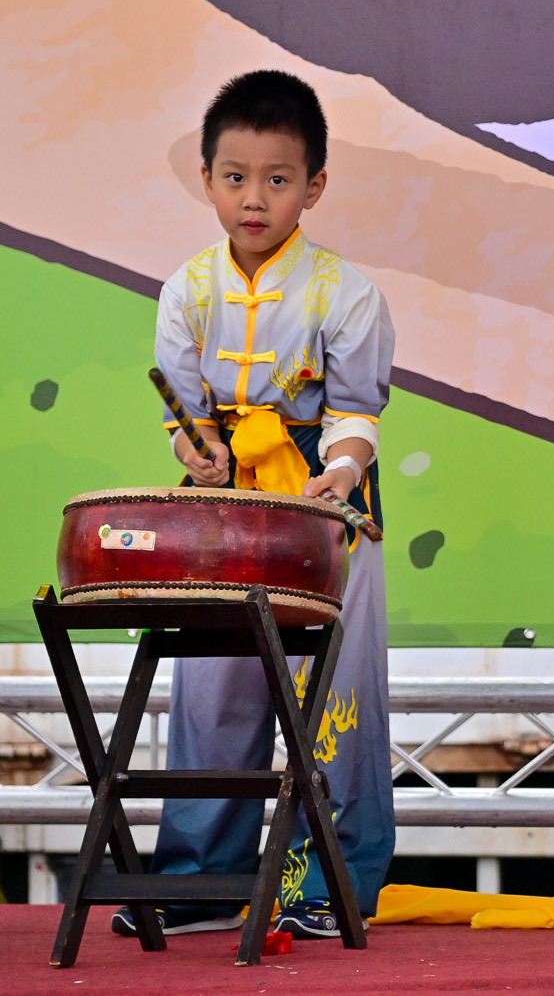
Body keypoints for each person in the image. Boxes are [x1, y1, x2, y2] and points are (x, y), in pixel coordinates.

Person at [118, 70, 396, 941]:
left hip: (325, 505)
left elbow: (357, 414)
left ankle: (328, 883)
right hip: (226, 505)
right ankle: (202, 880)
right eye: (235, 176)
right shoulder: (186, 291)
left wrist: (341, 473)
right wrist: (194, 452)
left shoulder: (347, 293)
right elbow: (186, 417)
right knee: (213, 690)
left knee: (337, 693)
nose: (254, 197)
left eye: (278, 178)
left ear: (314, 185)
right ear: (206, 178)